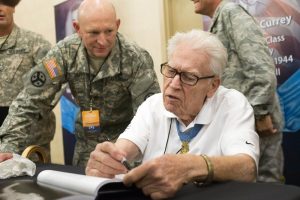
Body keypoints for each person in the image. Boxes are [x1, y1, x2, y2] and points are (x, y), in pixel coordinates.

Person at [86, 30, 259, 199]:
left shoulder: (232, 104)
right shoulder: (152, 105)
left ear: (213, 85)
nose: (174, 84)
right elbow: (123, 150)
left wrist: (190, 166)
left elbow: (246, 168)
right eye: (171, 71)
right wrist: (107, 160)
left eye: (189, 77)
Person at [0, 0, 160, 167]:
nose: (103, 41)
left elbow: (149, 115)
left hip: (125, 148)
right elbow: (30, 100)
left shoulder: (135, 59)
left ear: (118, 25)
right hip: (86, 149)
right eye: (93, 33)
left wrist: (128, 155)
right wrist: (8, 146)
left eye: (109, 31)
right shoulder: (64, 55)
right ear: (77, 29)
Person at [190, 0, 284, 183]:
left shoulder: (232, 13)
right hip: (242, 122)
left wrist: (259, 113)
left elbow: (262, 68)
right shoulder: (220, 19)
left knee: (266, 188)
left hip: (257, 123)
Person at [0, 0, 55, 159]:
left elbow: (56, 77)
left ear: (14, 7)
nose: (0, 9)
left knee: (31, 181)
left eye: (5, 3)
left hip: (30, 136)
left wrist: (38, 110)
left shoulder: (36, 44)